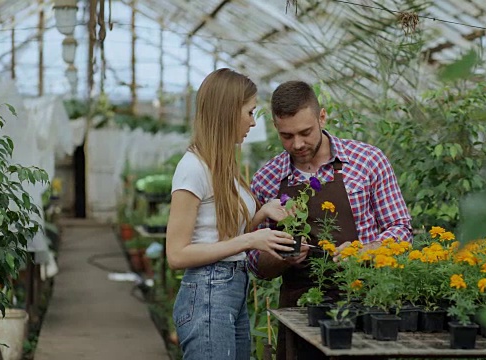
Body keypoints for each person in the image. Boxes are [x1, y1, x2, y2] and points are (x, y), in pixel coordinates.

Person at [247, 80, 413, 359]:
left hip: (364, 305)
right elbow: (256, 264)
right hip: (299, 312)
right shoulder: (268, 178)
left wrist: (365, 250)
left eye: (305, 132)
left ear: (322, 117)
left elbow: (402, 229)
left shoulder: (368, 161)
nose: (297, 144)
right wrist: (282, 257)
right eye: (286, 136)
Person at [166, 68, 296, 360]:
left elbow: (219, 236)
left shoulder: (222, 167)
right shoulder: (193, 168)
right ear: (227, 112)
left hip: (229, 289)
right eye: (249, 112)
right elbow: (177, 254)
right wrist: (251, 241)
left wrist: (261, 214)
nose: (253, 121)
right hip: (209, 291)